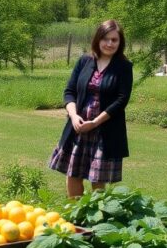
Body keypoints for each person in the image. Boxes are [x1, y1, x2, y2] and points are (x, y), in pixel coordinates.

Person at [49, 19, 133, 198]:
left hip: (105, 130)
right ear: (98, 39)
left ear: (120, 42)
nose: (110, 43)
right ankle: (75, 218)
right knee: (73, 175)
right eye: (106, 39)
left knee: (97, 179)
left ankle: (96, 221)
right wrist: (73, 116)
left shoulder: (124, 67)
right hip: (78, 128)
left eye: (114, 40)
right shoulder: (84, 61)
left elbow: (121, 100)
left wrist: (94, 122)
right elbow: (69, 91)